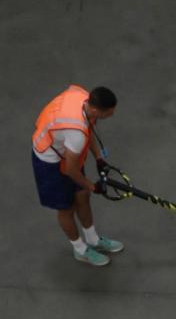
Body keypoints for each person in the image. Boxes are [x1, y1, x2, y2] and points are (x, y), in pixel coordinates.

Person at [32, 84, 123, 267]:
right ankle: (80, 249)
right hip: (49, 161)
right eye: (109, 113)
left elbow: (88, 130)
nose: (111, 116)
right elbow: (69, 170)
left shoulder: (83, 97)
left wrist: (98, 158)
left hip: (65, 151)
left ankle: (92, 239)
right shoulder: (75, 133)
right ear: (96, 110)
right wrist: (93, 185)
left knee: (82, 195)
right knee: (67, 208)